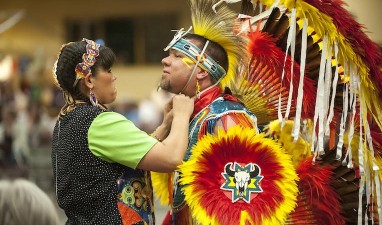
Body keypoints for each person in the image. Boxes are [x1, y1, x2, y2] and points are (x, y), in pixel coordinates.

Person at [51, 38, 194, 224]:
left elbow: (132, 155)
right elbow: (171, 158)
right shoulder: (100, 122)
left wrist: (165, 125)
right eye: (108, 70)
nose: (114, 77)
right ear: (89, 80)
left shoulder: (66, 120)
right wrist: (182, 115)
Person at [156, 1, 258, 223]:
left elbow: (242, 203)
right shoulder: (188, 115)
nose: (165, 60)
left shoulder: (228, 118)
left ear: (201, 70)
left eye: (175, 55)